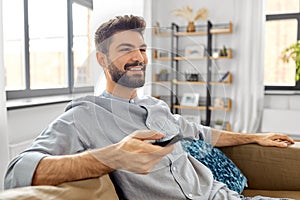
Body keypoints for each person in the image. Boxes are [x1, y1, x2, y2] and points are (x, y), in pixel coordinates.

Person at [4, 15, 294, 199]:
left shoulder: (156, 107)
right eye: (124, 49)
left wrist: (256, 137)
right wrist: (112, 157)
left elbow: (203, 133)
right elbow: (15, 172)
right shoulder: (83, 115)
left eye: (141, 48)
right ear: (102, 60)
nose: (138, 57)